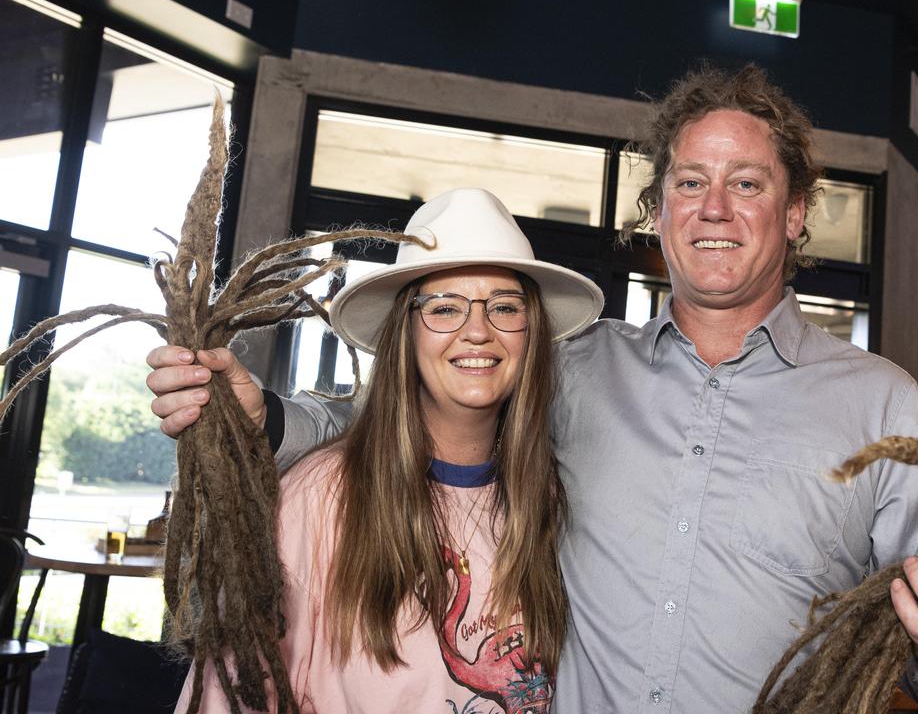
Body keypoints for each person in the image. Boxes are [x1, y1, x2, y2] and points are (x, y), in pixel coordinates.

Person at [152, 65, 918, 712]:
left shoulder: (882, 406)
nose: (714, 207)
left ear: (795, 214)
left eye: (747, 183)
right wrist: (267, 423)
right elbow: (411, 414)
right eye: (689, 182)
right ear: (660, 212)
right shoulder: (576, 365)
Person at [172, 188, 605, 712]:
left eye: (505, 308)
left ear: (530, 333)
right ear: (405, 335)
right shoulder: (321, 500)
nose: (477, 331)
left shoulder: (551, 501)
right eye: (444, 308)